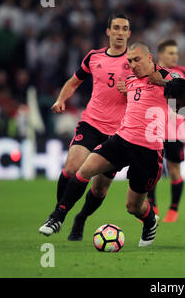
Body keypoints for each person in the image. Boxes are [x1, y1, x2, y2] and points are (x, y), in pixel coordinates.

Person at [39, 43, 175, 247]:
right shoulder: (130, 80)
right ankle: (57, 217)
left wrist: (164, 83)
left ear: (150, 58)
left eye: (137, 60)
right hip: (121, 140)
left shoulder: (167, 76)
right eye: (129, 61)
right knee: (84, 171)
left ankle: (149, 221)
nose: (132, 65)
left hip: (148, 151)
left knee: (133, 206)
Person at [48, 13, 132, 241]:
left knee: (99, 189)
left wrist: (132, 90)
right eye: (116, 28)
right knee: (71, 168)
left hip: (117, 133)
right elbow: (74, 80)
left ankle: (81, 217)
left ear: (129, 33)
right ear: (108, 32)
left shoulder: (135, 62)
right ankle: (58, 213)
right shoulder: (94, 57)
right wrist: (61, 99)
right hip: (91, 122)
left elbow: (148, 91)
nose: (120, 33)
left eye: (125, 29)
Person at [146, 39, 185, 222]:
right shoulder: (151, 72)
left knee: (174, 171)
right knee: (150, 170)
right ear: (161, 54)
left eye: (176, 53)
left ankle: (173, 209)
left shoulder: (184, 73)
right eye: (171, 53)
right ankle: (152, 206)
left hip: (175, 130)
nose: (175, 57)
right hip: (153, 128)